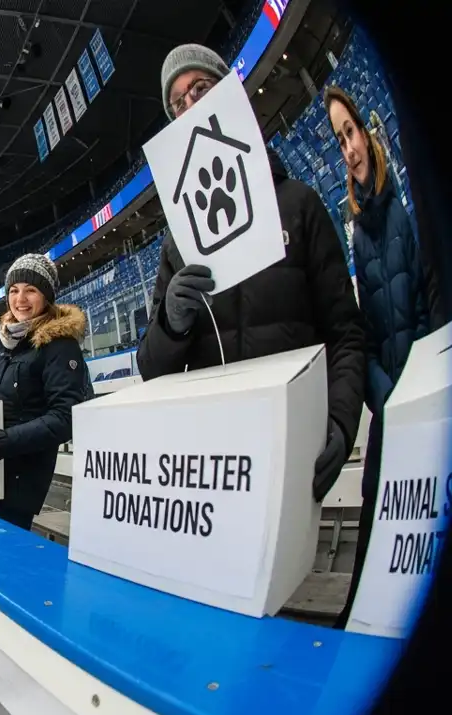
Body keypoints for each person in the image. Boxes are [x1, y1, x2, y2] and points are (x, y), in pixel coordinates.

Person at [141, 44, 367, 504]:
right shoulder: (178, 242)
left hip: (293, 442)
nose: (190, 105)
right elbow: (151, 370)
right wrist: (171, 323)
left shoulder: (299, 204)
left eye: (200, 88)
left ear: (229, 91)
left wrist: (341, 423)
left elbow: (345, 333)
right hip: (218, 459)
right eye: (177, 104)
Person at [323, 85, 439, 628]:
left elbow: (425, 307)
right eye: (338, 138)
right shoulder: (358, 232)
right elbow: (364, 328)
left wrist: (413, 389)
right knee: (375, 507)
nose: (348, 147)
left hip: (424, 398)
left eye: (351, 132)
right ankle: (358, 620)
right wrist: (381, 394)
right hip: (390, 404)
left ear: (369, 133)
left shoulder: (406, 207)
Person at [0, 253, 91, 531]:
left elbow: (65, 418)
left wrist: (0, 444)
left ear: (46, 296)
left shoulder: (60, 346)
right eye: (14, 291)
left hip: (21, 480)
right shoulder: (7, 341)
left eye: (31, 290)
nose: (21, 299)